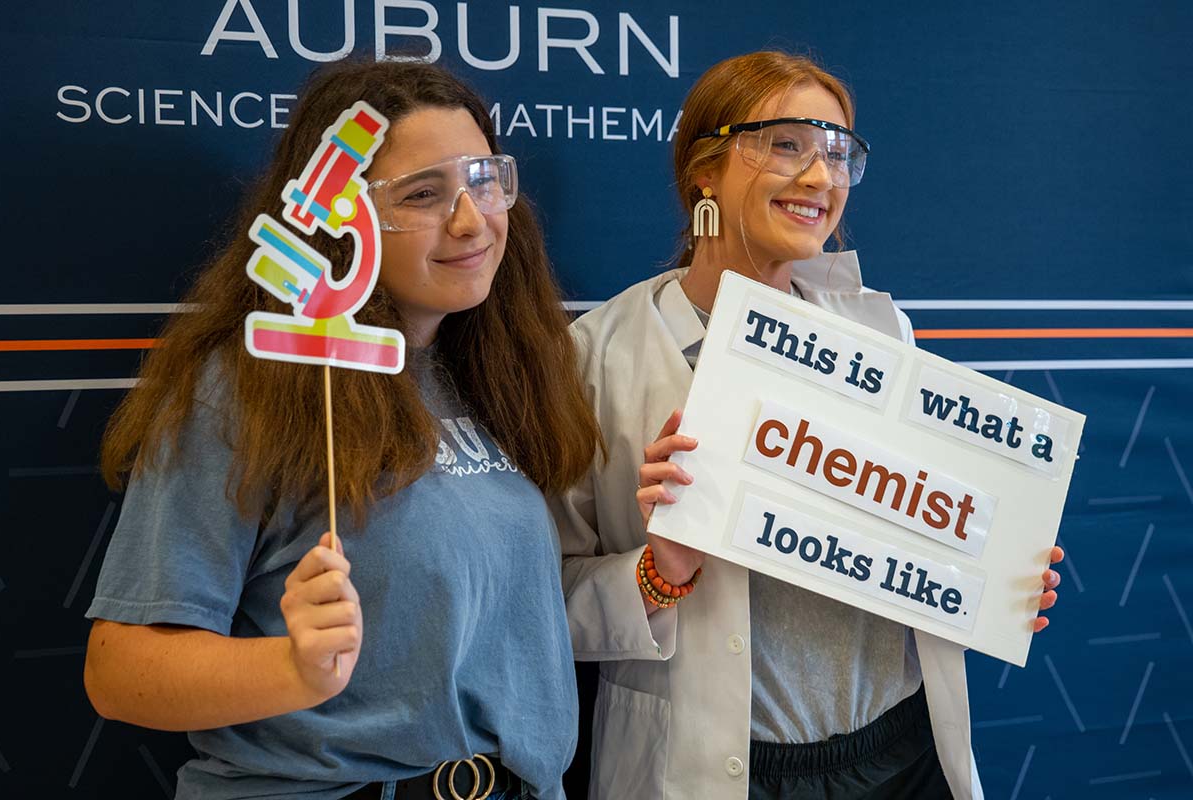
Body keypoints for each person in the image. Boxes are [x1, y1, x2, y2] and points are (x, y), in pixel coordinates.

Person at [83, 60, 601, 800]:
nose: (470, 217)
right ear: (337, 218)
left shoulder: (495, 375)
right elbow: (119, 671)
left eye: (484, 179)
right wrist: (290, 670)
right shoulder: (243, 390)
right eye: (424, 194)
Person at [552, 51, 1064, 800]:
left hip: (902, 752)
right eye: (788, 144)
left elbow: (910, 535)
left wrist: (990, 566)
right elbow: (539, 611)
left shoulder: (885, 338)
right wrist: (658, 570)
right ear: (705, 169)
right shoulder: (593, 358)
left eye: (836, 153)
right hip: (723, 770)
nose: (821, 178)